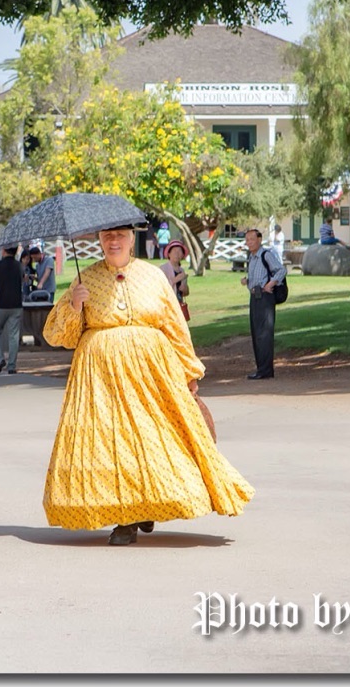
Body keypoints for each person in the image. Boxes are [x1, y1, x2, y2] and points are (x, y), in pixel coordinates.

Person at [42, 225, 254, 545]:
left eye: (120, 236)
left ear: (131, 240)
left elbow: (174, 325)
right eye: (107, 236)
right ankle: (126, 519)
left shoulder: (153, 277)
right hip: (100, 380)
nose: (113, 241)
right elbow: (60, 336)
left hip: (152, 376)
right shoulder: (83, 279)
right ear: (100, 241)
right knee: (115, 445)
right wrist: (74, 304)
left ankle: (147, 504)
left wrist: (189, 373)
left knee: (155, 441)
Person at [241, 228, 287, 380]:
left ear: (259, 240)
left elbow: (281, 270)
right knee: (256, 333)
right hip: (254, 297)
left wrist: (271, 284)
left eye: (252, 239)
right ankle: (261, 368)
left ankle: (266, 370)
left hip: (265, 298)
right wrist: (247, 282)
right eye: (247, 240)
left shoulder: (266, 255)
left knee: (264, 334)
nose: (249, 243)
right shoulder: (252, 257)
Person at [0, 243, 24, 374]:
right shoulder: (19, 266)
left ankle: (0, 358)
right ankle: (12, 366)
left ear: (3, 251)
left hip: (1, 304)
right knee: (13, 335)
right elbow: (24, 279)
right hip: (16, 304)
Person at [159, 240, 192, 320]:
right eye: (174, 251)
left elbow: (185, 293)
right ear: (169, 254)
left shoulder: (182, 270)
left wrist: (184, 287)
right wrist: (175, 280)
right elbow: (160, 289)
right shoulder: (162, 269)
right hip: (167, 306)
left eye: (179, 251)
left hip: (179, 306)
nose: (177, 254)